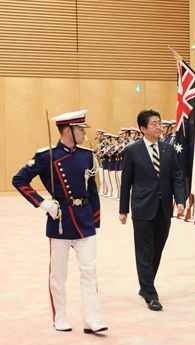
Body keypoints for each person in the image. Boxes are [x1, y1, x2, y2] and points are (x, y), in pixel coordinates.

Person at [12, 110, 107, 334]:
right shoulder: (47, 156)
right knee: (58, 274)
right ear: (68, 131)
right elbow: (19, 179)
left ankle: (92, 320)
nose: (84, 133)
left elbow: (92, 190)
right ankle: (60, 317)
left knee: (89, 271)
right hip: (60, 220)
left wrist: (95, 220)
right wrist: (43, 203)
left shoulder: (87, 155)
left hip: (84, 220)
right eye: (80, 129)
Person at [119, 109, 186, 311]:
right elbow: (126, 182)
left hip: (163, 208)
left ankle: (145, 285)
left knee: (157, 250)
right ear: (143, 128)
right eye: (155, 123)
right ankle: (150, 292)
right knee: (144, 251)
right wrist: (123, 209)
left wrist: (180, 200)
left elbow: (177, 176)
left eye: (160, 123)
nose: (160, 127)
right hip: (142, 208)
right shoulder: (132, 150)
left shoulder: (168, 149)